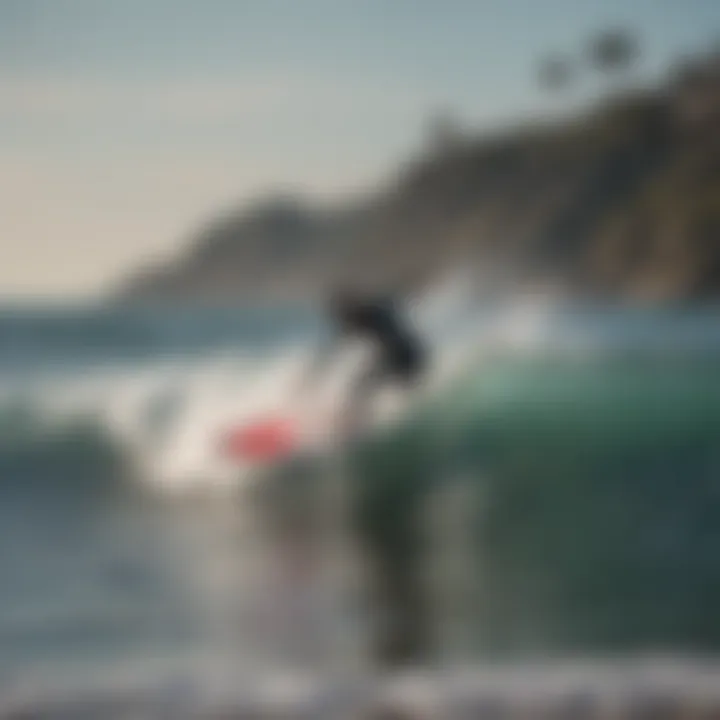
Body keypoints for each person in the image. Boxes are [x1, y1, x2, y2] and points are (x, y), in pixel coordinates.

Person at [301, 285, 428, 434]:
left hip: (407, 359)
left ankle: (355, 425)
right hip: (409, 356)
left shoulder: (369, 314)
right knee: (364, 384)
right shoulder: (369, 312)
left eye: (341, 313)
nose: (341, 318)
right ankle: (356, 422)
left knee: (362, 385)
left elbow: (387, 335)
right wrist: (311, 378)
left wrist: (311, 379)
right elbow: (335, 349)